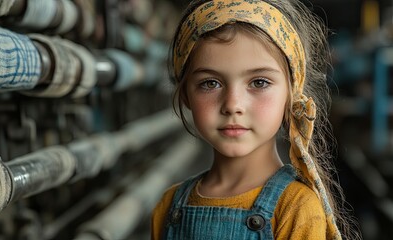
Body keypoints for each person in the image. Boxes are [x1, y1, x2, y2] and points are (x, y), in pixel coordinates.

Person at [152, 0, 359, 239]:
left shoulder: (296, 208)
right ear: (186, 94)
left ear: (291, 96)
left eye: (259, 82)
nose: (233, 105)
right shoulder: (167, 207)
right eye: (210, 83)